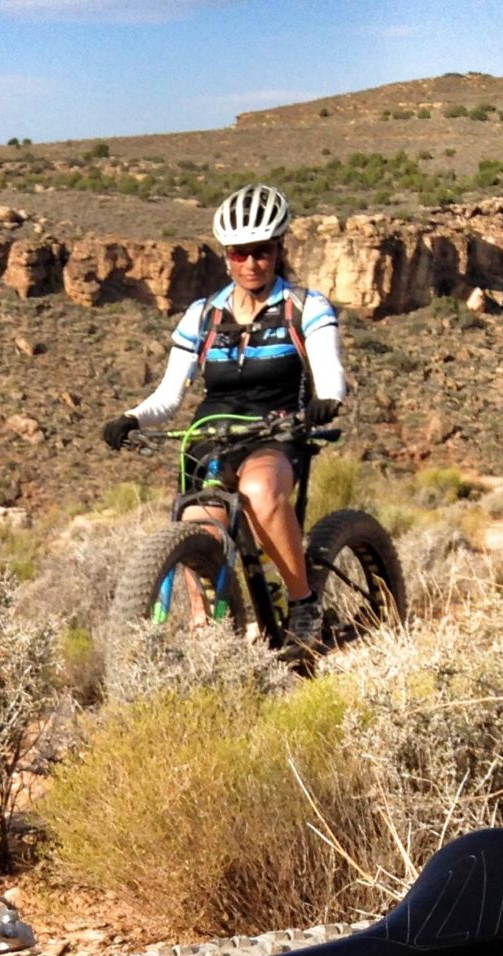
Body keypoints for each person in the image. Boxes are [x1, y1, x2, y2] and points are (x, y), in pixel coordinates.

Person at [102, 183, 346, 649]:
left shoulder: (304, 307)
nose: (251, 264)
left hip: (276, 430)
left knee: (259, 492)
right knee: (198, 523)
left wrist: (327, 399)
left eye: (261, 252)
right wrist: (131, 417)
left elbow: (330, 371)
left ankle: (303, 603)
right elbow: (169, 395)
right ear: (226, 256)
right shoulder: (202, 316)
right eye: (239, 254)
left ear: (278, 251)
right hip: (211, 434)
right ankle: (209, 633)